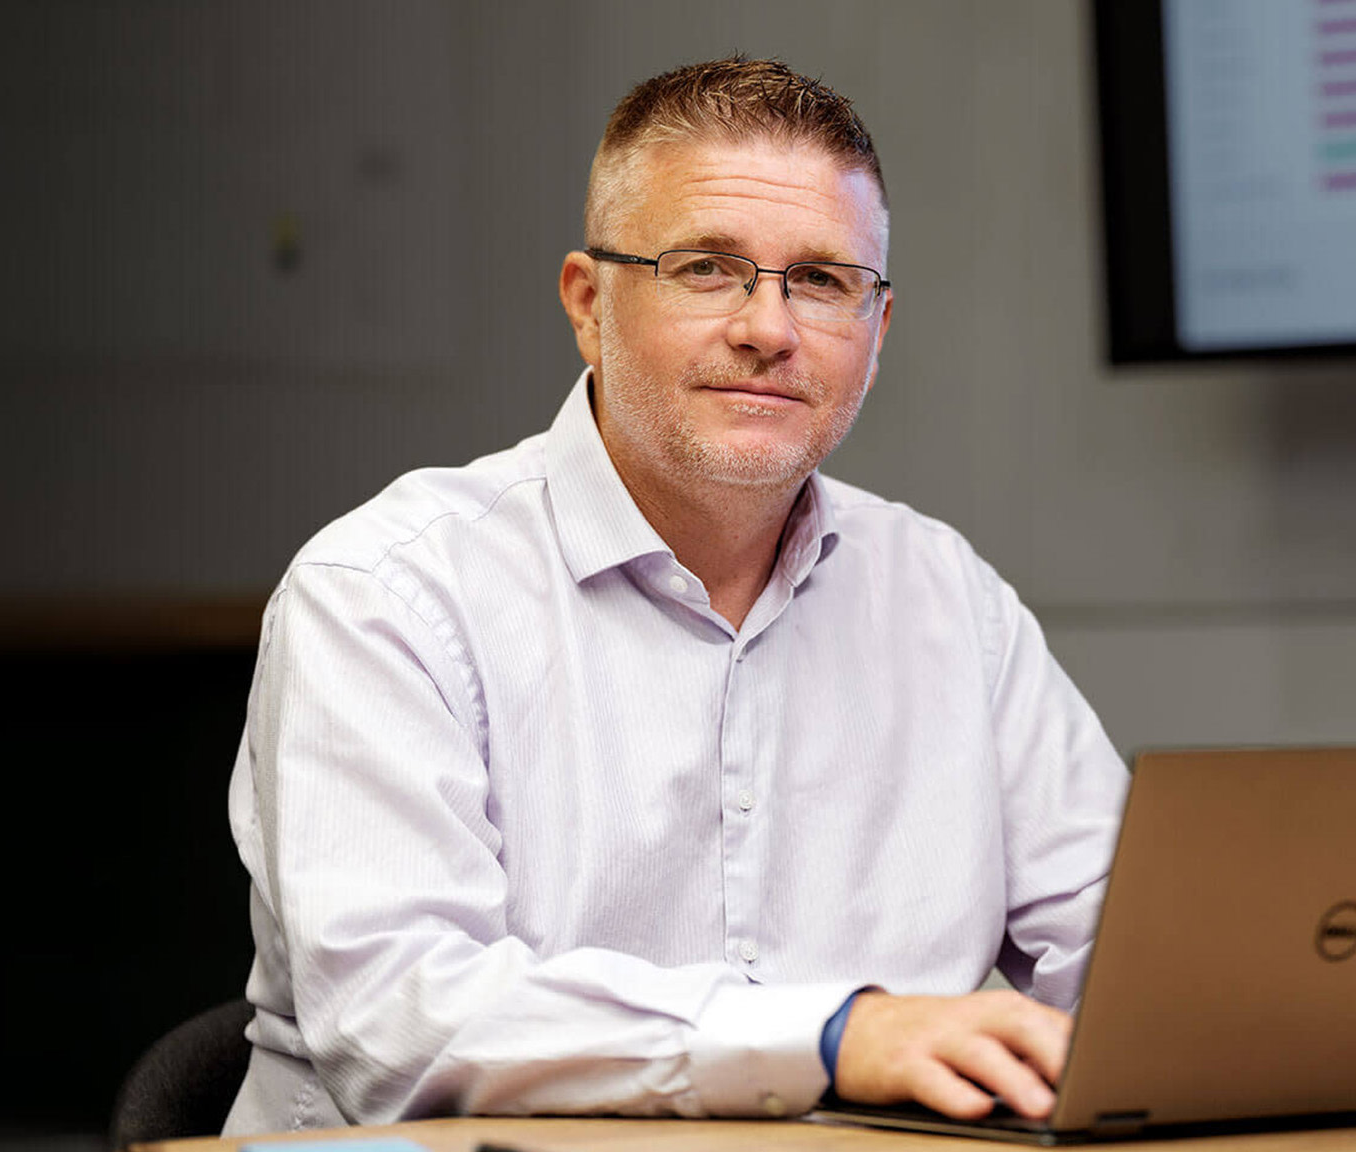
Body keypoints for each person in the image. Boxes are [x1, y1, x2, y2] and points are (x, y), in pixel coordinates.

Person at [223, 56, 1130, 1136]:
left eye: (825, 281)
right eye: (708, 268)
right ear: (587, 304)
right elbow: (401, 1025)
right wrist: (838, 1038)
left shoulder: (950, 601)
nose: (769, 328)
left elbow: (1133, 963)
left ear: (876, 337)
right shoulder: (385, 596)